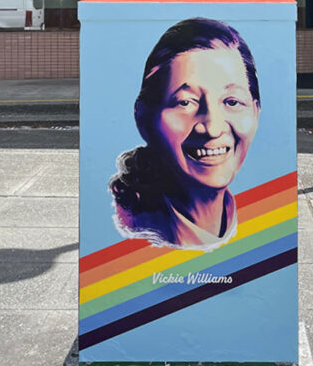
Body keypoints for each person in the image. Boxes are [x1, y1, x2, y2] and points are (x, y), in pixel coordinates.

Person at [109, 18, 261, 251]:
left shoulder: (259, 224)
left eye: (232, 102)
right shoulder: (128, 228)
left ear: (255, 112)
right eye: (185, 102)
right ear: (144, 117)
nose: (212, 127)